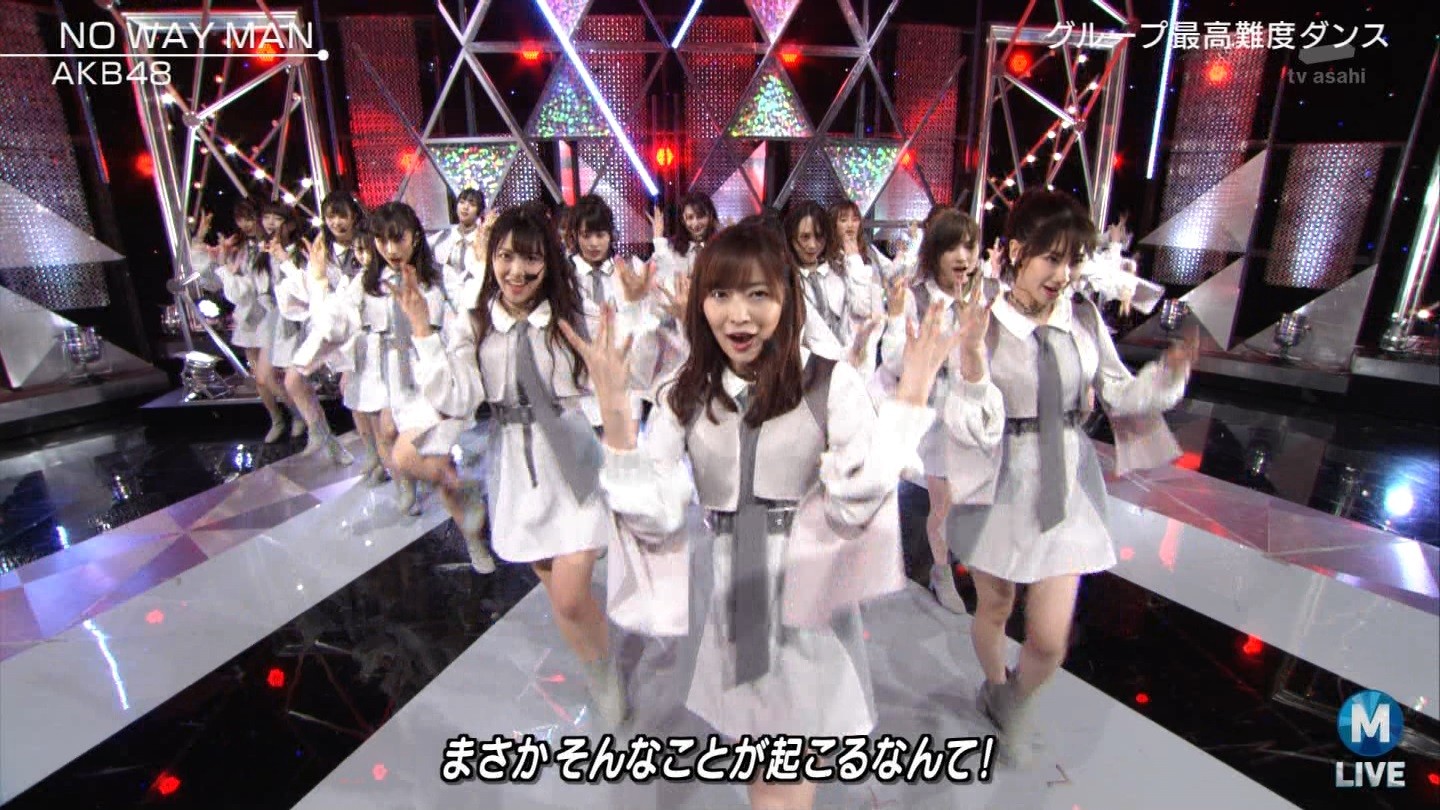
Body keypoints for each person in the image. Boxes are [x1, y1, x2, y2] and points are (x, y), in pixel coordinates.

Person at [565, 222, 958, 810]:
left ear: (786, 298)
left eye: (758, 294)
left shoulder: (827, 381)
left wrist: (911, 399)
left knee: (783, 775)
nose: (738, 315)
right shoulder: (685, 390)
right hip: (730, 597)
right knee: (768, 769)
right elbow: (657, 517)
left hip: (805, 594)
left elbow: (858, 498)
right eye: (720, 294)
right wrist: (618, 421)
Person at [941, 189, 1198, 765]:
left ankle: (1013, 699)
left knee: (1050, 640)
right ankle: (994, 685)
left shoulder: (1082, 318)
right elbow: (966, 422)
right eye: (1052, 259)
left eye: (1072, 261)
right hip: (999, 481)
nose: (1063, 275)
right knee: (995, 607)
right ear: (1016, 252)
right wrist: (974, 363)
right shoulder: (983, 324)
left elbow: (1120, 392)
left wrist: (1166, 376)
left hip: (1065, 484)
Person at [412, 205, 655, 723]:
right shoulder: (476, 322)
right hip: (517, 474)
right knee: (555, 587)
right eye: (506, 257)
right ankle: (596, 665)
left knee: (569, 597)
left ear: (549, 261)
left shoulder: (569, 316)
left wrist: (634, 312)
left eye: (530, 259)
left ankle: (605, 675)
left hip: (574, 465)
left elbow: (622, 368)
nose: (516, 271)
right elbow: (457, 396)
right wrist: (423, 335)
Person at [876, 209, 984, 614]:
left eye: (970, 247)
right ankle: (941, 570)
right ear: (935, 252)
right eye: (953, 247)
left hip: (971, 413)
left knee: (966, 502)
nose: (963, 257)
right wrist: (913, 337)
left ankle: (954, 560)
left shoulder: (979, 296)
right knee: (944, 504)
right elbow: (893, 361)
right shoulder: (915, 297)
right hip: (932, 416)